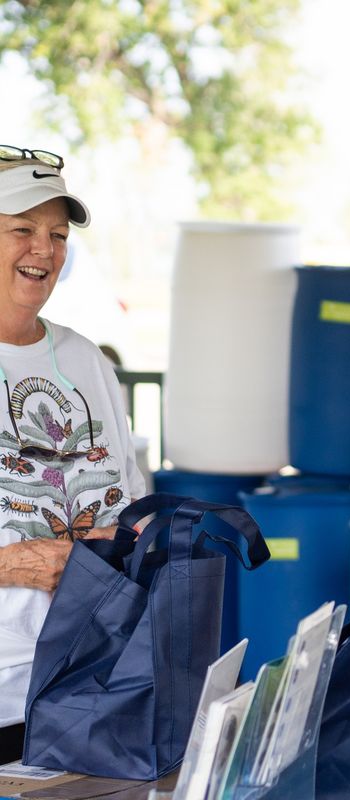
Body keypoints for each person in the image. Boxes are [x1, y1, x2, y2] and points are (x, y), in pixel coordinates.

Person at [0, 146, 145, 761]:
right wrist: (12, 564)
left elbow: (134, 504)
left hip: (94, 692)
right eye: (22, 230)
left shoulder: (87, 361)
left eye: (57, 234)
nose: (44, 250)